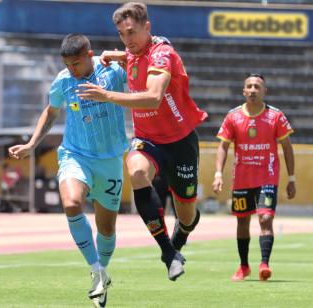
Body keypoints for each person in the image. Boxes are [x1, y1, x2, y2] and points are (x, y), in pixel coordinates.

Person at [77, 2, 207, 281]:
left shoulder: (163, 54)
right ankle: (168, 253)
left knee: (186, 215)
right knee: (136, 171)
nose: (128, 39)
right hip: (147, 139)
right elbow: (131, 55)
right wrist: (115, 54)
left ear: (147, 27)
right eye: (122, 34)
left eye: (132, 32)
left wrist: (107, 95)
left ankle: (182, 233)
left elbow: (153, 97)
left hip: (180, 141)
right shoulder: (133, 50)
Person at [9, 33, 128, 307]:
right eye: (67, 64)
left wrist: (123, 56)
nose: (72, 70)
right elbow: (51, 112)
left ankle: (103, 271)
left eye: (76, 64)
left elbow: (141, 72)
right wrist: (31, 143)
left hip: (110, 159)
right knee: (72, 203)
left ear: (90, 55)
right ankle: (95, 269)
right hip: (76, 154)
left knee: (106, 228)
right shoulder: (64, 80)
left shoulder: (111, 70)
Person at [212, 73, 296, 282]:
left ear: (264, 91)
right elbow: (223, 145)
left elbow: (287, 147)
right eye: (249, 86)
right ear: (243, 91)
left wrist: (291, 178)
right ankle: (243, 266)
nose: (252, 89)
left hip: (267, 177)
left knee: (265, 218)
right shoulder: (233, 116)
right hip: (241, 178)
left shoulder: (276, 116)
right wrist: (218, 173)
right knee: (242, 222)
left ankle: (264, 264)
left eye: (257, 86)